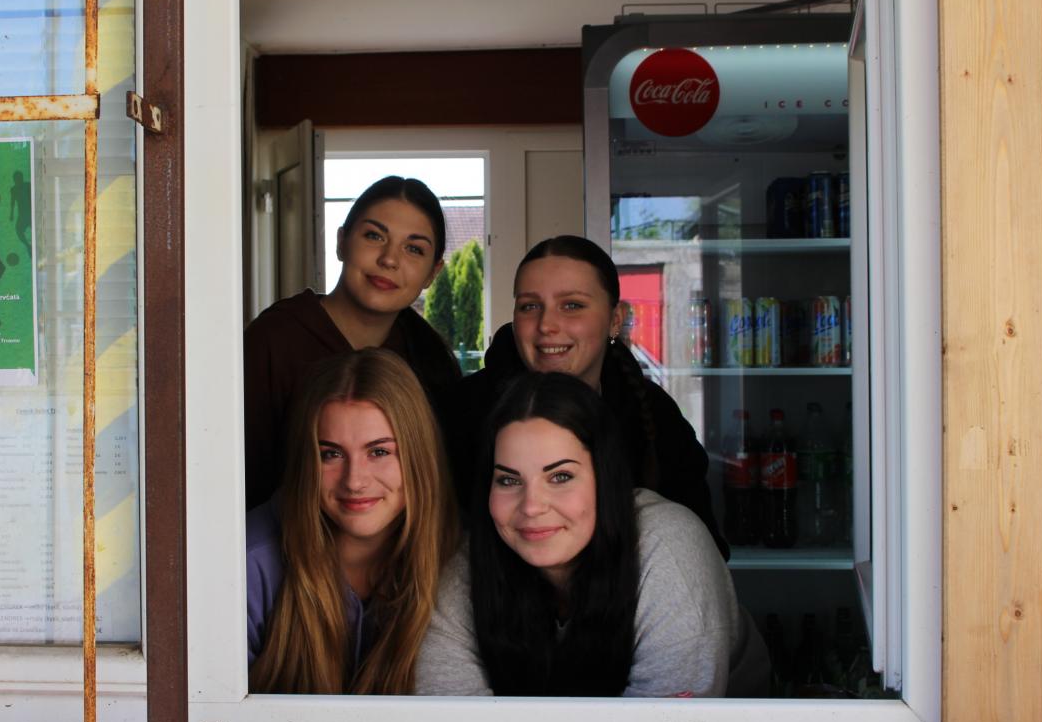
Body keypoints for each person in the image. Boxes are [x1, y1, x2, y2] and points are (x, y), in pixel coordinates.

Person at [416, 372, 765, 697]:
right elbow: (450, 721)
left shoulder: (669, 547)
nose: (532, 506)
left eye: (560, 477)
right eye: (508, 480)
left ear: (606, 479)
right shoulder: (467, 564)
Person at [446, 235, 727, 558]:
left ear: (615, 319)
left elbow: (702, 550)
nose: (547, 325)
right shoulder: (463, 412)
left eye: (572, 305)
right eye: (530, 306)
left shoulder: (654, 413)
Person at [247, 348, 458, 694]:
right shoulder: (249, 562)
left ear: (419, 456)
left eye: (379, 452)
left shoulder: (458, 558)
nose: (354, 481)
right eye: (330, 454)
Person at [243, 176, 461, 509]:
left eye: (413, 249)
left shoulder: (429, 360)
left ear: (433, 272)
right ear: (342, 242)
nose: (389, 259)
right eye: (374, 236)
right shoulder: (273, 340)